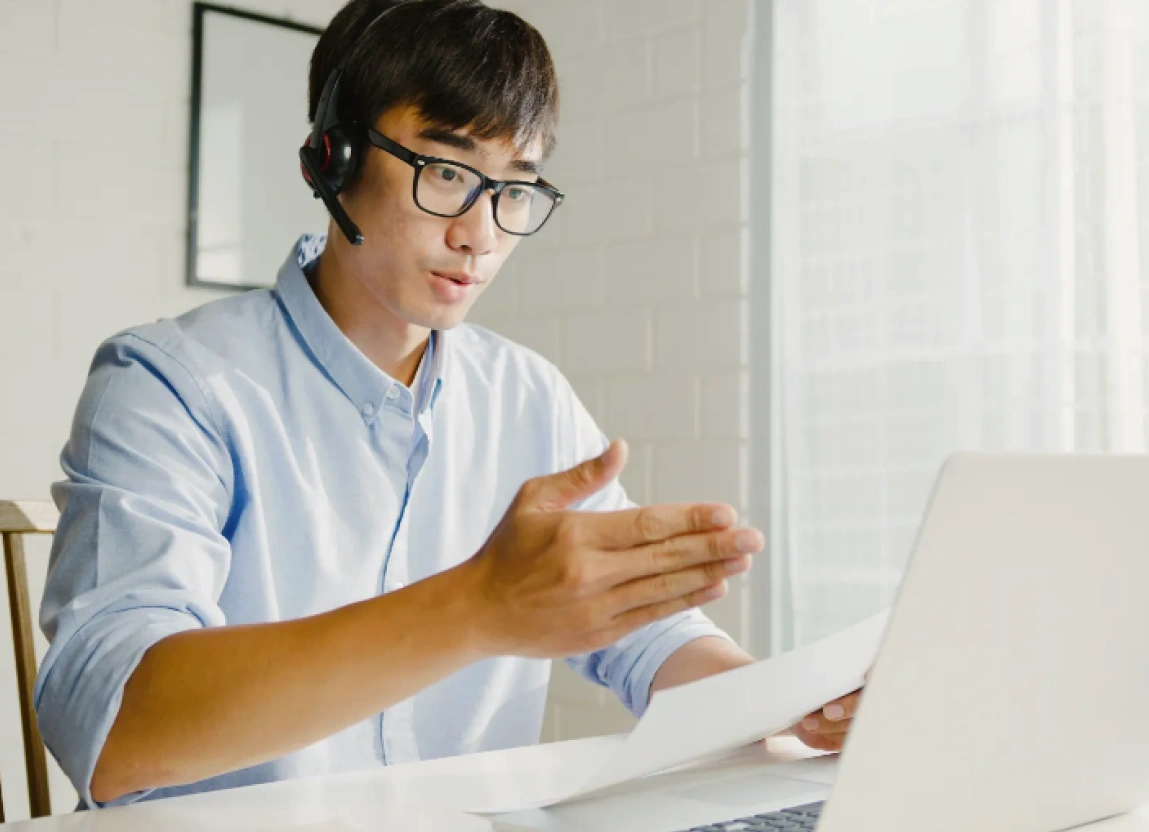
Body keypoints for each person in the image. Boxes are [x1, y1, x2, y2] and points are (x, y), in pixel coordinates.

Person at [34, 0, 861, 809]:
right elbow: (114, 734)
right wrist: (477, 608)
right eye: (448, 173)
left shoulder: (527, 395)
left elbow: (644, 636)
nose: (483, 234)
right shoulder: (169, 382)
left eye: (515, 189)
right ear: (332, 159)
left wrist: (785, 705)